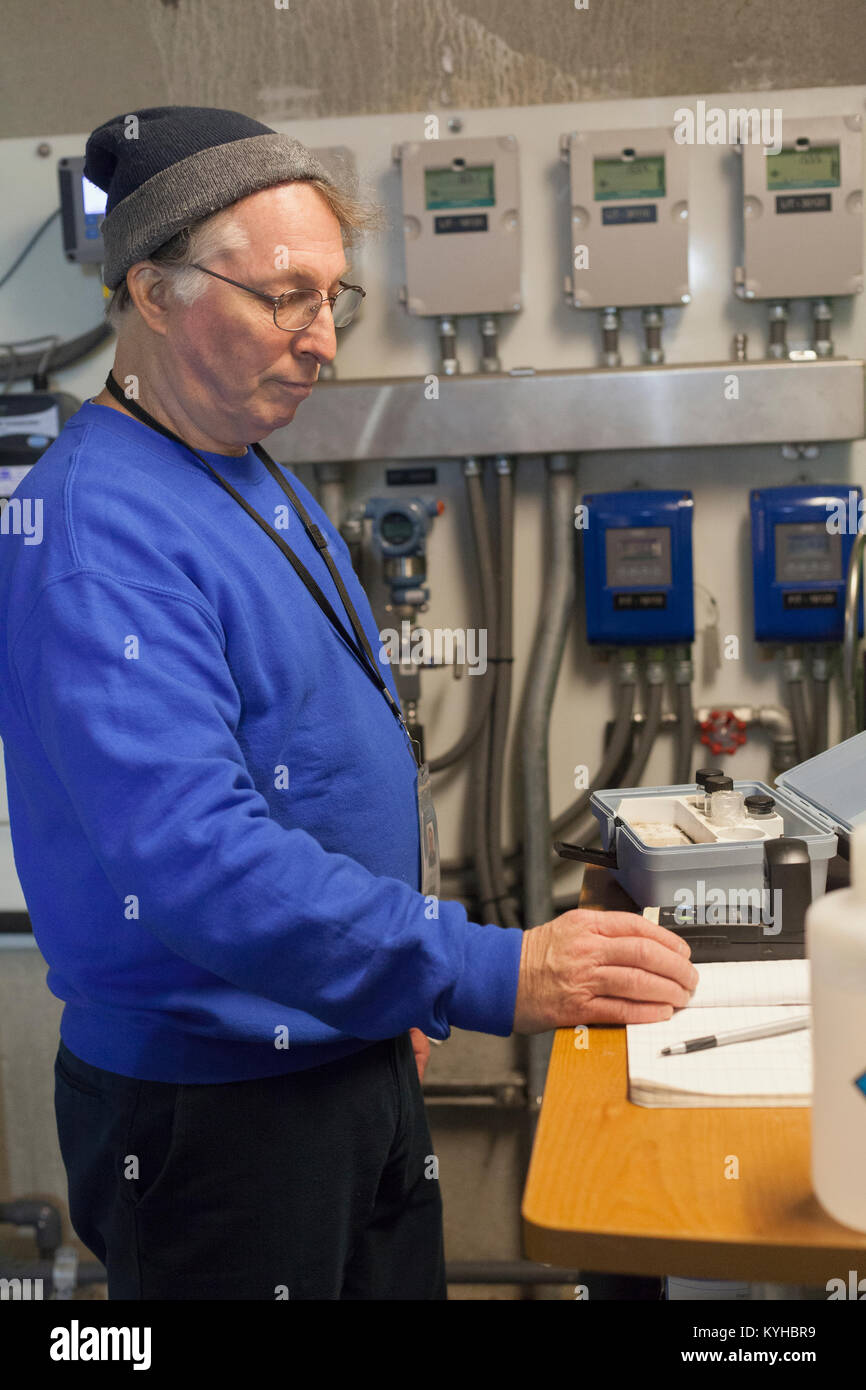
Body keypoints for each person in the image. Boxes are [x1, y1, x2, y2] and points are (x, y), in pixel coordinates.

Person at [0, 106, 697, 1300]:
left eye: (333, 297)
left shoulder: (236, 463)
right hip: (219, 1114)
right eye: (282, 295)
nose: (319, 337)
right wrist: (482, 971)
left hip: (338, 1049)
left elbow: (313, 767)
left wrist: (382, 993)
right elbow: (197, 861)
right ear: (153, 291)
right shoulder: (100, 531)